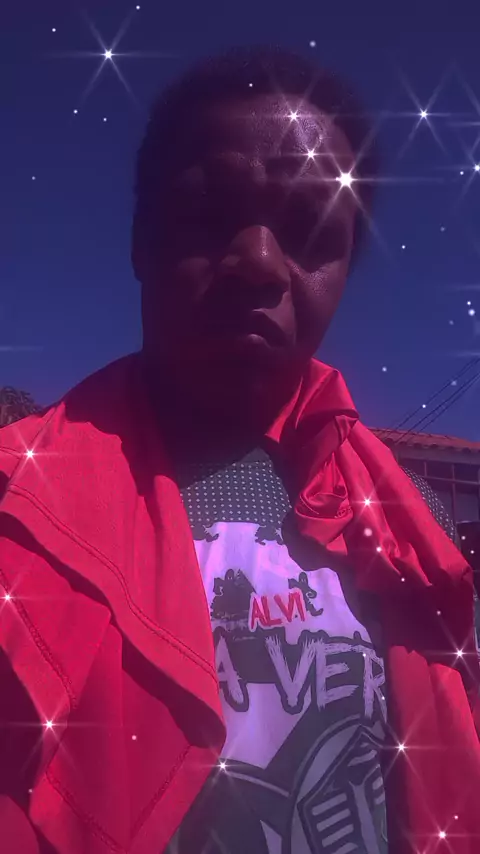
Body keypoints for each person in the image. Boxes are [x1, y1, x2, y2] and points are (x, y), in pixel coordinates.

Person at [0, 45, 479, 854]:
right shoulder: (16, 504)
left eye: (310, 231)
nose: (259, 262)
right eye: (208, 212)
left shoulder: (410, 528)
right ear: (141, 242)